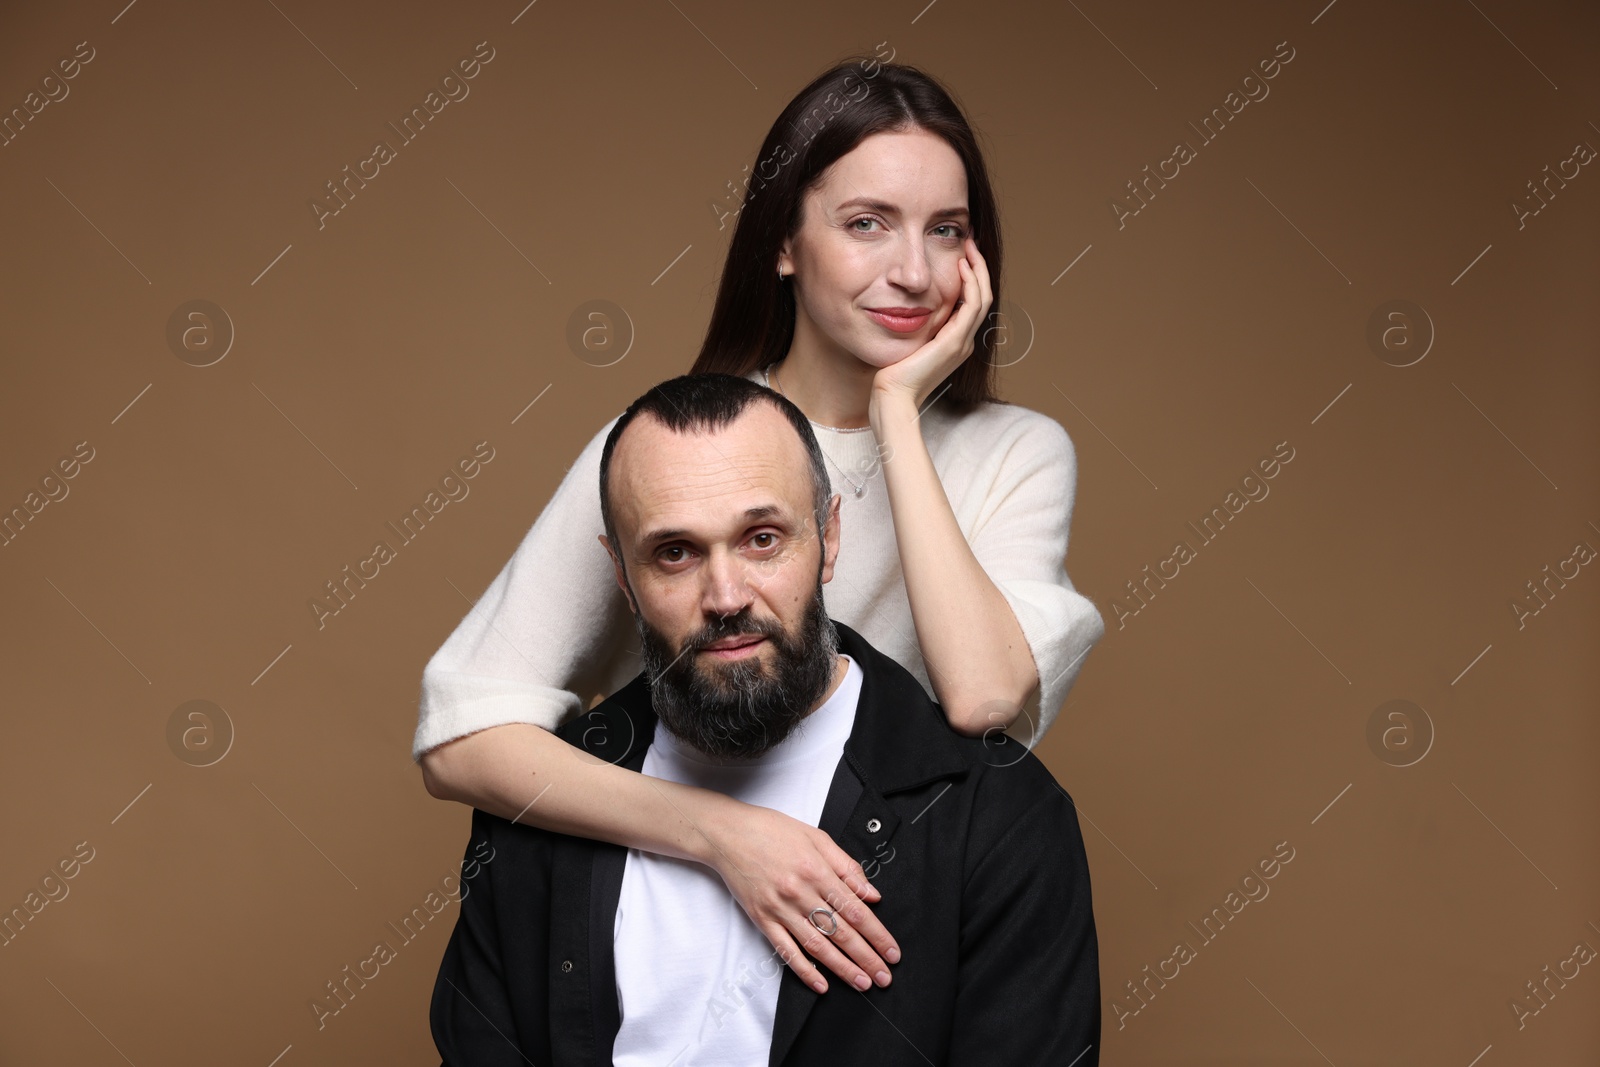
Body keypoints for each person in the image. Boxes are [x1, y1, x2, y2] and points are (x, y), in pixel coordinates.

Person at [417, 55, 1106, 996]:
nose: (913, 272)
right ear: (784, 242)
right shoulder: (667, 450)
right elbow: (464, 735)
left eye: (945, 230)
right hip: (668, 906)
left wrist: (897, 409)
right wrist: (720, 833)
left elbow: (982, 699)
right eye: (867, 224)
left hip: (883, 924)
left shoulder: (1019, 453)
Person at [429, 374, 1100, 1066]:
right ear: (623, 577)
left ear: (828, 537)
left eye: (762, 538)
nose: (725, 596)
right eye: (675, 552)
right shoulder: (540, 816)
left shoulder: (997, 821)